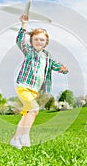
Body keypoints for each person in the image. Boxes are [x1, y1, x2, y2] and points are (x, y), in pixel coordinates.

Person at [10, 14, 69, 149]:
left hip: (35, 91)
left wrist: (64, 69)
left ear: (46, 42)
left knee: (26, 115)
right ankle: (25, 135)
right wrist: (24, 24)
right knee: (34, 109)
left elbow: (57, 66)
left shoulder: (47, 56)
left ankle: (15, 139)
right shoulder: (29, 51)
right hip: (24, 86)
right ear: (31, 41)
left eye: (42, 40)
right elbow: (20, 41)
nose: (39, 42)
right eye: (36, 39)